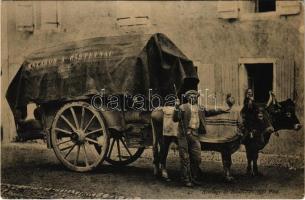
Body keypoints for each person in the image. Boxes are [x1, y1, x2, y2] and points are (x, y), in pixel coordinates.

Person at [173, 90, 231, 187]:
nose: (193, 97)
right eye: (190, 96)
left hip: (195, 135)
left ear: (197, 98)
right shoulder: (183, 107)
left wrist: (224, 109)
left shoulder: (200, 108)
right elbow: (175, 119)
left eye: (194, 96)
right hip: (184, 135)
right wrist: (176, 107)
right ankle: (185, 179)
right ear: (187, 98)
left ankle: (193, 177)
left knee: (197, 158)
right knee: (185, 157)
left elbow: (212, 111)